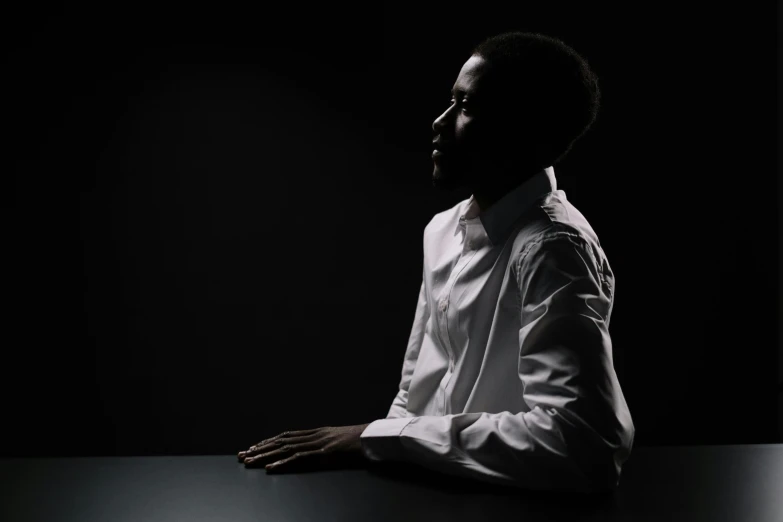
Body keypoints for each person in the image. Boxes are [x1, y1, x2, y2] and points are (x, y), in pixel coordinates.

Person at [238, 31, 634, 493]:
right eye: (451, 100)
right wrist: (380, 452)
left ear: (523, 130)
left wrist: (378, 437)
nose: (439, 122)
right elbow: (414, 397)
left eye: (467, 106)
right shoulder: (442, 231)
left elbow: (583, 444)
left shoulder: (554, 249)